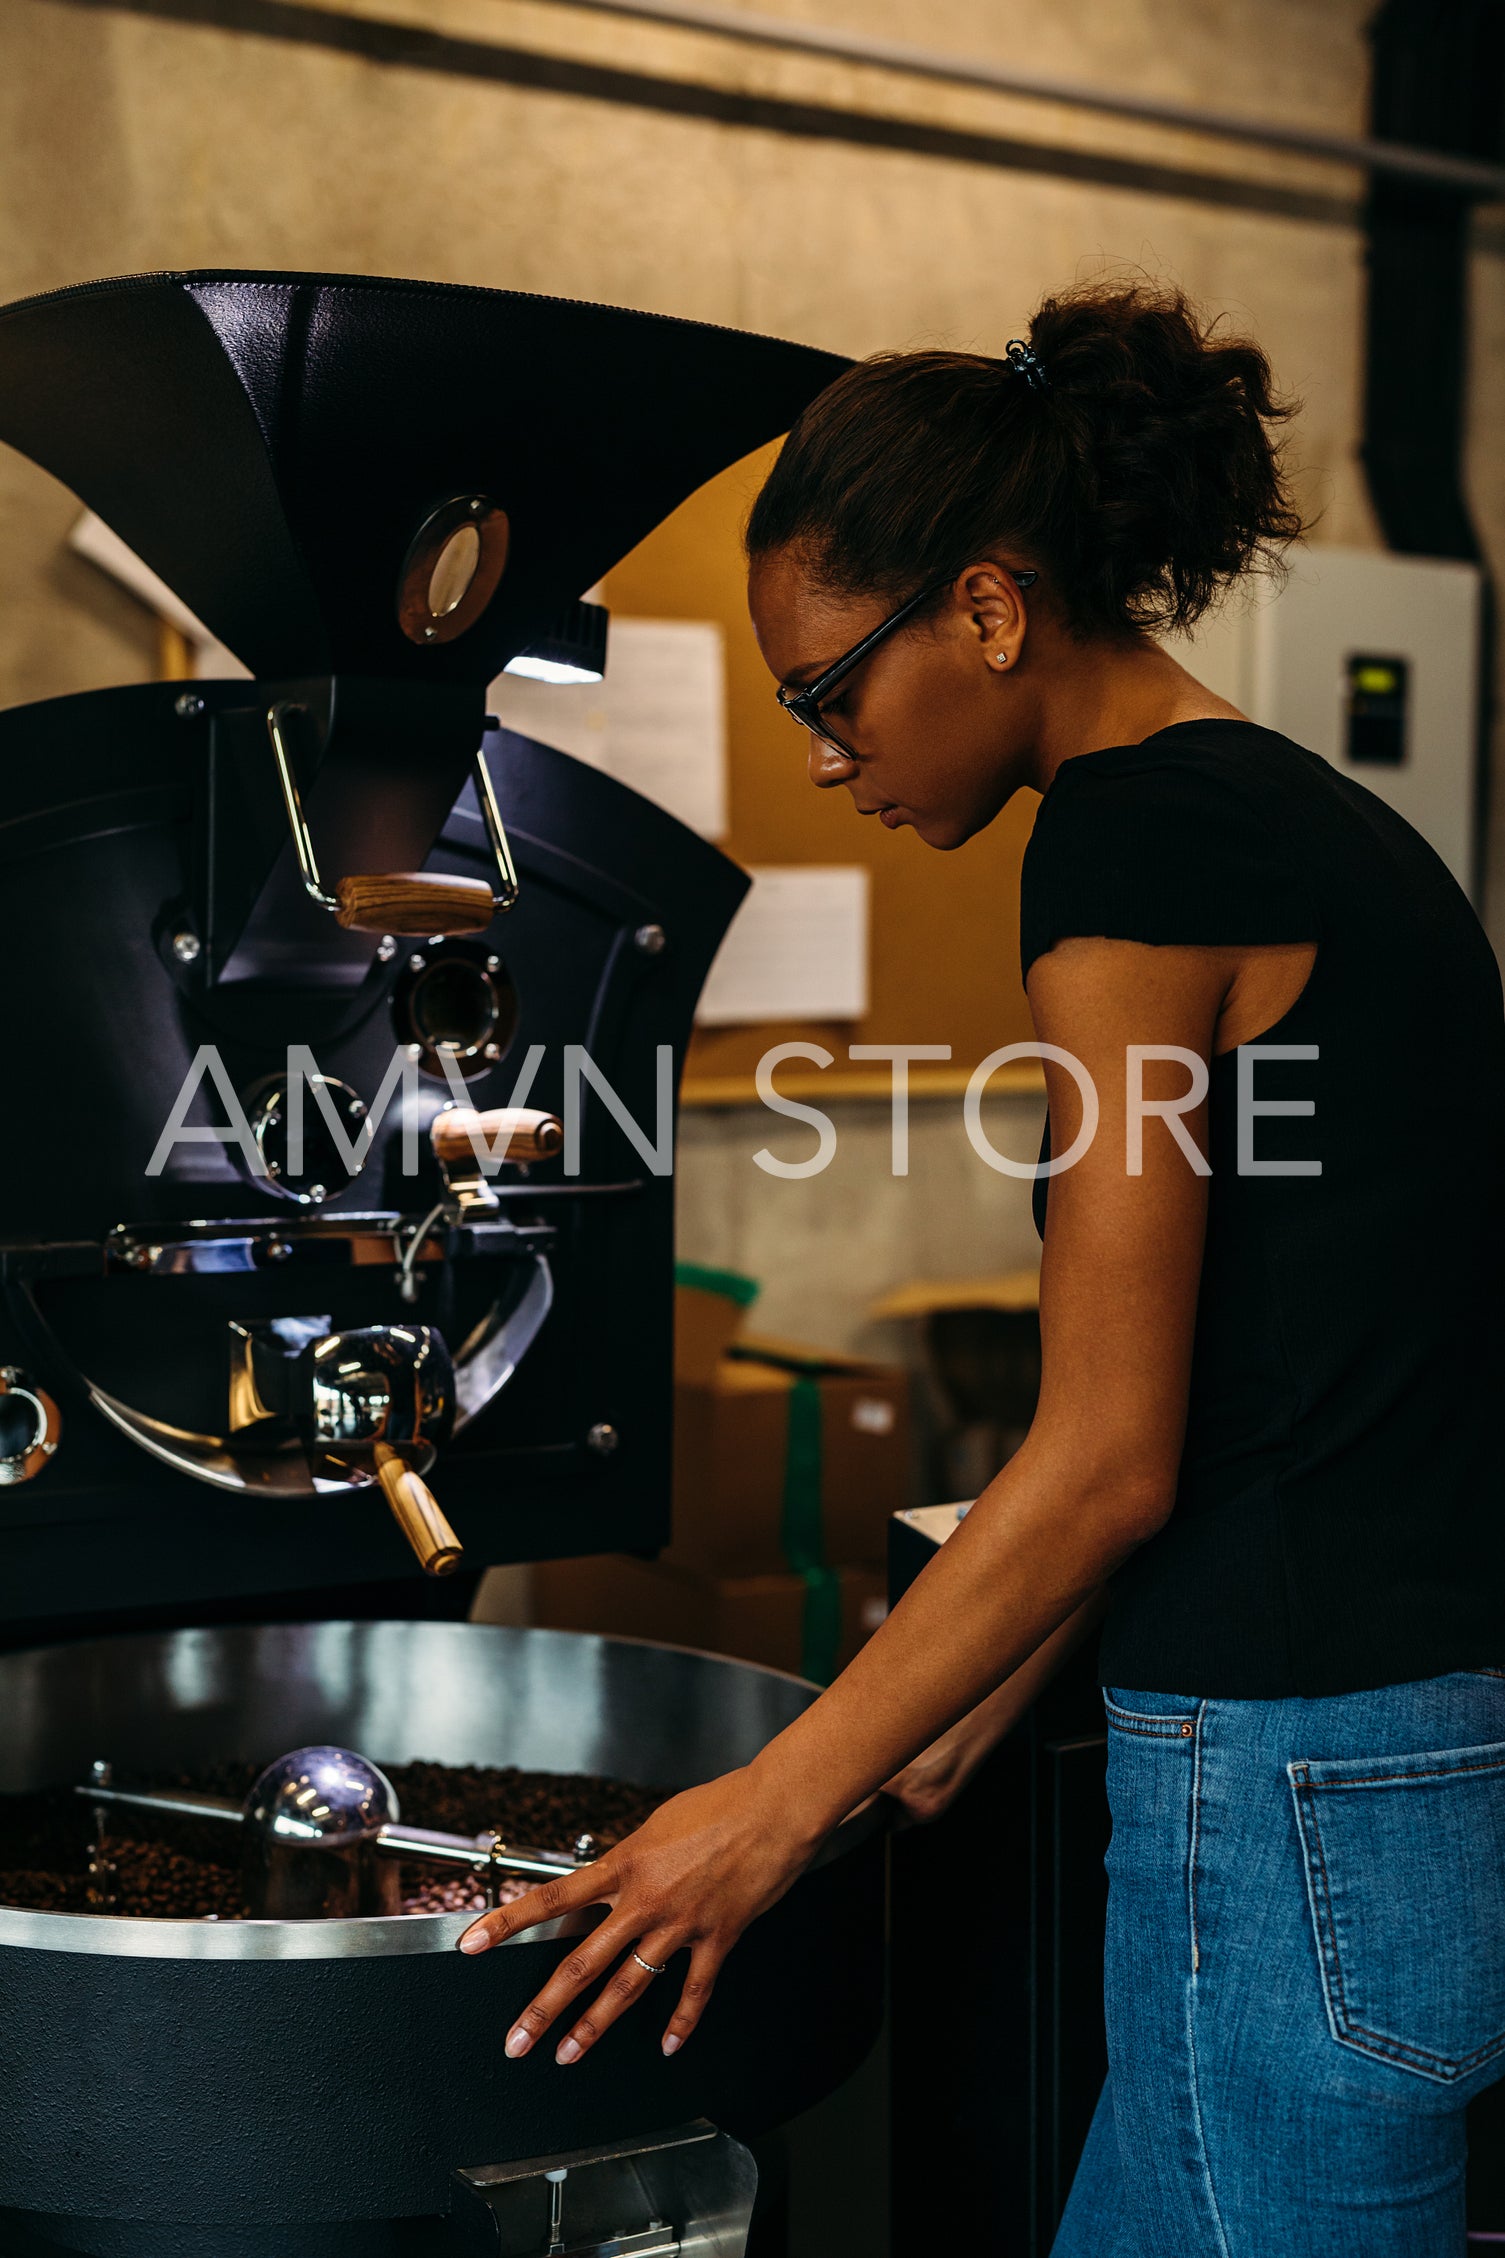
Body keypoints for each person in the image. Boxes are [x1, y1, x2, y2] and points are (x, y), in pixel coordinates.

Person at [459, 280, 1505, 2254]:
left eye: (826, 692)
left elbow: (1111, 1453)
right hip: (1400, 1767)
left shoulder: (1128, 856)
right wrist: (948, 1705)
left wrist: (760, 1814)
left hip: (1285, 1794)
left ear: (993, 611)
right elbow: (1281, 1382)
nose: (828, 752)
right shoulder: (1291, 820)